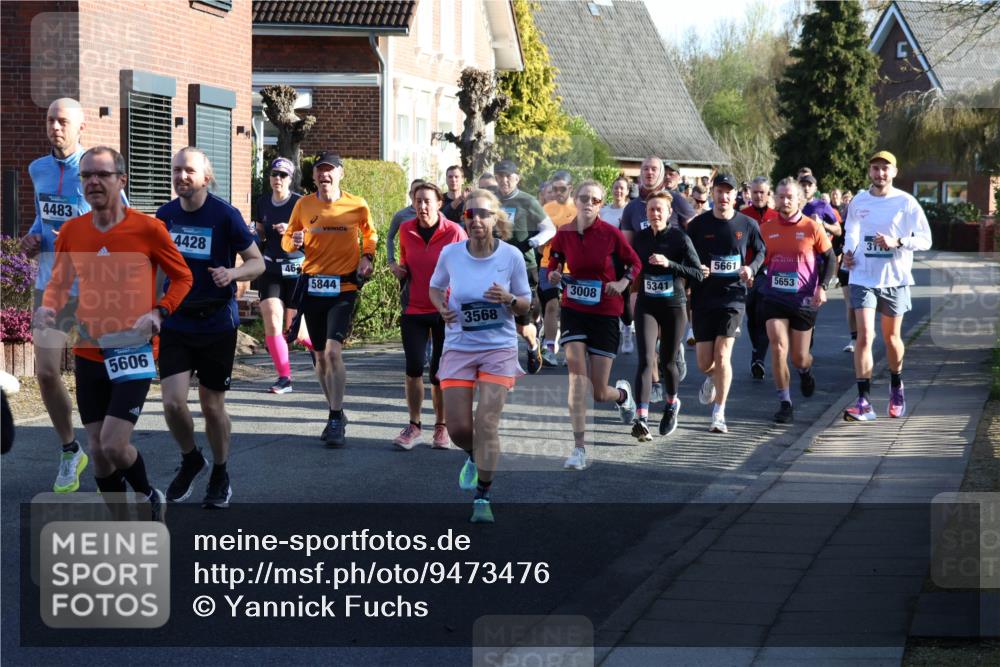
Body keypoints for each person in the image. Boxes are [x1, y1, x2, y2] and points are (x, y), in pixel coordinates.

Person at [38, 145, 193, 520]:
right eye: (87, 175)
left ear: (120, 180)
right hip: (89, 351)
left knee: (113, 444)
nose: (92, 182)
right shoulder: (72, 231)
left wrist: (160, 310)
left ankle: (146, 495)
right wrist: (49, 306)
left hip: (132, 351)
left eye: (102, 175)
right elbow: (60, 283)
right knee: (98, 452)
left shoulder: (148, 228)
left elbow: (183, 277)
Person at [158, 147, 264, 509]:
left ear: (205, 177)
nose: (181, 176)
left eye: (189, 170)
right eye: (176, 170)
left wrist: (232, 273)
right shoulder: (165, 215)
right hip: (177, 318)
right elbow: (155, 264)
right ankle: (191, 459)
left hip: (217, 322)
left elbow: (257, 263)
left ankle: (220, 470)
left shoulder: (225, 215)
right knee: (172, 402)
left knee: (212, 406)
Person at [428, 190, 531, 523]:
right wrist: (441, 306)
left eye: (484, 214)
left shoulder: (511, 257)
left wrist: (509, 298)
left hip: (498, 348)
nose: (477, 220)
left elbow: (527, 303)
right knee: (458, 428)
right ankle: (473, 456)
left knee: (486, 422)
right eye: (471, 214)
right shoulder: (451, 254)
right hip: (459, 345)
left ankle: (483, 495)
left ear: (496, 218)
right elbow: (435, 286)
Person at [22, 99, 93, 492]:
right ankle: (70, 450)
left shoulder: (97, 168)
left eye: (63, 121)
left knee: (93, 376)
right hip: (50, 284)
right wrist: (34, 237)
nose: (56, 127)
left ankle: (107, 452)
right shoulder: (37, 169)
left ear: (81, 126)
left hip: (94, 287)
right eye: (51, 120)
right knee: (46, 372)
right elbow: (44, 217)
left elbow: (122, 218)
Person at [283, 152, 377, 446]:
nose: (325, 175)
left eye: (330, 171)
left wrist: (367, 257)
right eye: (320, 171)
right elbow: (287, 239)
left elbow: (370, 234)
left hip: (344, 289)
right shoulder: (303, 204)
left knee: (334, 353)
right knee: (321, 357)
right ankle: (335, 409)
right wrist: (294, 242)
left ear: (340, 174)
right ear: (314, 177)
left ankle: (335, 418)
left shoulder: (357, 204)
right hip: (313, 288)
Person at [547, 180, 641, 469]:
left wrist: (622, 282)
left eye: (595, 200)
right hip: (574, 308)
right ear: (576, 200)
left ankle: (622, 395)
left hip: (605, 312)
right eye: (584, 198)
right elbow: (555, 259)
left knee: (599, 392)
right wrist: (553, 273)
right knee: (577, 378)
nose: (589, 203)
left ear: (600, 205)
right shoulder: (564, 233)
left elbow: (634, 264)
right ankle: (579, 449)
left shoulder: (611, 234)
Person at [842, 151, 932, 421]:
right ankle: (863, 402)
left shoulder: (906, 202)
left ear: (894, 172)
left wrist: (899, 242)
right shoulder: (860, 200)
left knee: (892, 339)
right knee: (865, 336)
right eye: (875, 168)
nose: (880, 173)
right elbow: (852, 230)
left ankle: (896, 385)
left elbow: (926, 240)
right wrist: (848, 252)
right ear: (869, 171)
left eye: (885, 169)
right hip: (862, 277)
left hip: (894, 278)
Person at [686, 174, 766, 434]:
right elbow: (687, 255)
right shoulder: (698, 225)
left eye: (728, 192)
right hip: (703, 297)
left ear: (736, 195)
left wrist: (751, 268)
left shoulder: (748, 223)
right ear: (713, 193)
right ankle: (712, 377)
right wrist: (695, 268)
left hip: (733, 297)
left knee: (723, 356)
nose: (724, 197)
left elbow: (762, 252)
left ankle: (719, 412)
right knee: (704, 363)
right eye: (719, 191)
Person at [393, 183, 467, 449]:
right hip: (413, 308)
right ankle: (414, 425)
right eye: (418, 201)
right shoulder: (406, 229)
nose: (422, 206)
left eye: (427, 201)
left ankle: (441, 427)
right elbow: (405, 260)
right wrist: (399, 270)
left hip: (445, 311)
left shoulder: (455, 232)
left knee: (439, 373)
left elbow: (465, 268)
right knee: (413, 368)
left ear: (439, 204)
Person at [758, 178, 836, 424]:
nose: (785, 201)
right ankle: (785, 402)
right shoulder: (766, 228)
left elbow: (831, 259)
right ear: (775, 199)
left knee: (799, 357)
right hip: (774, 296)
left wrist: (822, 287)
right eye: (781, 196)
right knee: (778, 346)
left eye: (790, 196)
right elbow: (760, 259)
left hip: (804, 299)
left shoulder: (812, 227)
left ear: (800, 199)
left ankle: (805, 371)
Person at [630, 192, 703, 439]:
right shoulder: (639, 239)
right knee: (645, 359)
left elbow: (698, 273)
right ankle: (641, 418)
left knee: (668, 362)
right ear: (646, 213)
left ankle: (671, 404)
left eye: (660, 209)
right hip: (647, 305)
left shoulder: (679, 238)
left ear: (669, 212)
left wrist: (669, 264)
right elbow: (628, 267)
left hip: (674, 306)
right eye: (651, 209)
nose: (655, 213)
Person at [493, 159, 555, 374]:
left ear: (517, 178)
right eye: (500, 176)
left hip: (523, 265)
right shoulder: (491, 200)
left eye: (508, 176)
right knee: (496, 315)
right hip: (494, 264)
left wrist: (534, 241)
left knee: (522, 324)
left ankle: (532, 346)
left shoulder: (527, 201)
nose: (504, 180)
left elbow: (550, 229)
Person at [255, 157, 306, 394]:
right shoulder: (263, 201)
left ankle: (322, 354)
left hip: (296, 267)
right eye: (274, 174)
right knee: (272, 316)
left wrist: (292, 231)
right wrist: (258, 234)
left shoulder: (300, 203)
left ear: (290, 178)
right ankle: (284, 377)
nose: (278, 179)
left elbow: (312, 237)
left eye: (283, 175)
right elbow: (261, 233)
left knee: (295, 330)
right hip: (271, 267)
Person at [740, 176, 780, 380]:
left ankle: (759, 359)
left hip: (770, 272)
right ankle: (757, 350)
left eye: (762, 192)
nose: (758, 196)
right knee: (752, 316)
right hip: (747, 273)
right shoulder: (742, 216)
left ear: (768, 194)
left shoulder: (776, 216)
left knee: (764, 314)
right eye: (754, 192)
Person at [538, 171, 576, 367]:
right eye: (555, 189)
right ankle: (550, 347)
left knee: (570, 308)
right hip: (548, 264)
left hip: (572, 267)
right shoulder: (546, 209)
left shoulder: (579, 209)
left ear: (570, 188)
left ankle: (573, 347)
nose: (558, 192)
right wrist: (548, 240)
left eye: (562, 188)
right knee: (551, 304)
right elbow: (538, 241)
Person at [830, 187, 857, 352]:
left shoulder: (869, 225)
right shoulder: (842, 226)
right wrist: (844, 253)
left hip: (866, 271)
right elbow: (835, 248)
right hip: (846, 269)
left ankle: (866, 333)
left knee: (864, 306)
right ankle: (854, 338)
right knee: (851, 305)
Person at [386, 179, 426, 278]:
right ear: (410, 194)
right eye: (414, 191)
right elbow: (390, 237)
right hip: (407, 269)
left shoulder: (435, 215)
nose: (417, 194)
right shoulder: (401, 215)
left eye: (420, 190)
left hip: (431, 266)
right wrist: (391, 262)